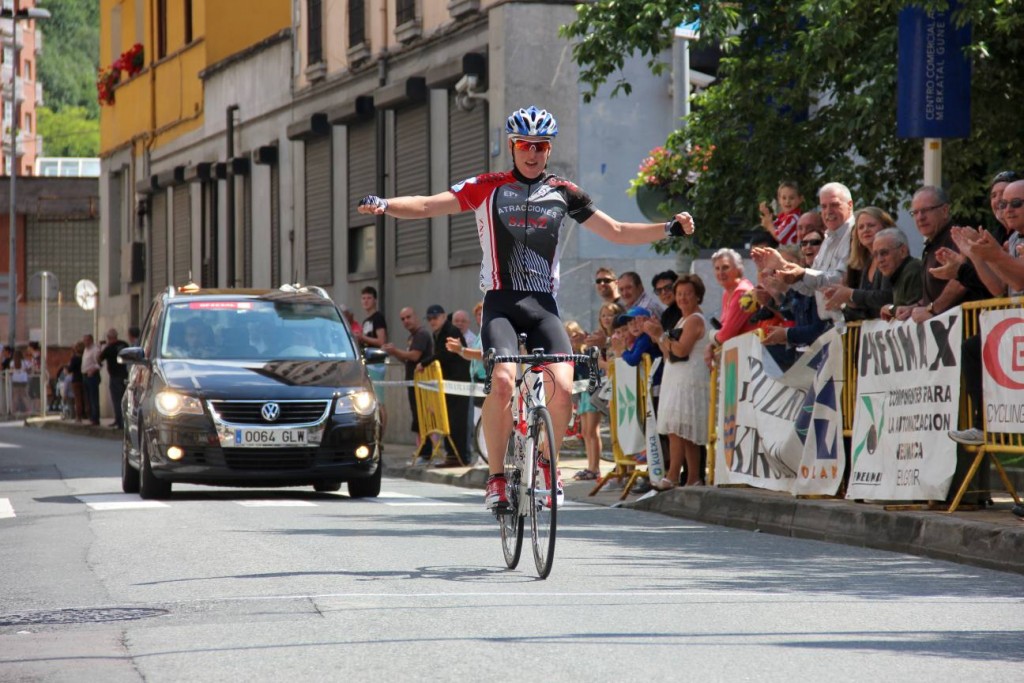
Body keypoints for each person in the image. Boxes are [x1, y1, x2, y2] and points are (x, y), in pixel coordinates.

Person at [357, 105, 695, 511]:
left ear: (548, 149)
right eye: (524, 146)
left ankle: (547, 466)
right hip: (501, 303)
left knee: (564, 386)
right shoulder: (488, 186)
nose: (532, 153)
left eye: (540, 146)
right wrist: (385, 205)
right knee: (501, 381)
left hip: (543, 306)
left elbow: (617, 231)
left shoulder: (564, 192)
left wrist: (669, 228)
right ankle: (497, 478)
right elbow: (430, 205)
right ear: (512, 146)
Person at [651, 275, 710, 488]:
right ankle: (694, 477)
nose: (683, 298)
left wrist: (661, 336)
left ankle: (673, 475)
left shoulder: (695, 319)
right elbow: (669, 353)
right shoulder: (682, 320)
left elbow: (681, 349)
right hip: (677, 376)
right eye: (679, 294)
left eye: (688, 294)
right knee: (685, 431)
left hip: (689, 378)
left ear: (698, 296)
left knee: (678, 429)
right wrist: (661, 338)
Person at [759, 229, 829, 370]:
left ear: (800, 262)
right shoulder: (797, 287)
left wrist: (786, 334)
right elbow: (794, 315)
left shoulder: (821, 280)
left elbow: (818, 329)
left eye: (814, 242)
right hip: (805, 359)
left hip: (822, 359)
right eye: (804, 243)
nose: (808, 246)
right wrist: (777, 295)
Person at [418, 304, 471, 467]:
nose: (432, 321)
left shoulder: (451, 331)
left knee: (457, 422)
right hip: (449, 382)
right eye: (429, 319)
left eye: (435, 318)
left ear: (442, 317)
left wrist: (425, 362)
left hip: (457, 382)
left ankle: (459, 457)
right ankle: (452, 456)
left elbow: (445, 354)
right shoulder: (440, 332)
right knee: (450, 420)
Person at [822, 206, 896, 321]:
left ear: (885, 228)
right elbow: (866, 310)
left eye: (871, 225)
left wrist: (851, 293)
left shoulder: (892, 258)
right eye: (861, 227)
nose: (865, 230)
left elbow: (887, 298)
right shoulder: (867, 264)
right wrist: (847, 300)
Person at [382, 307, 433, 461]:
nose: (406, 321)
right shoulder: (412, 337)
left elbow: (414, 356)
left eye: (408, 317)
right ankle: (422, 449)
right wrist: (396, 354)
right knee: (417, 417)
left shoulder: (421, 335)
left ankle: (426, 451)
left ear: (416, 317)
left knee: (422, 417)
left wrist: (394, 351)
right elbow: (407, 360)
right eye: (402, 319)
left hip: (422, 383)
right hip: (414, 382)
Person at [564, 321, 603, 482]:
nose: (572, 339)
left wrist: (582, 344)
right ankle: (590, 466)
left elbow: (587, 369)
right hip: (582, 394)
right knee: (586, 432)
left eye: (574, 334)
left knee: (593, 431)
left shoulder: (588, 350)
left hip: (592, 392)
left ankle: (595, 468)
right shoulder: (573, 352)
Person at [703, 248, 756, 367]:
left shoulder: (743, 292)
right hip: (737, 356)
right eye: (717, 268)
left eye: (725, 267)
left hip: (749, 358)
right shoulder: (727, 293)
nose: (720, 272)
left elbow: (726, 334)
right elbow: (724, 328)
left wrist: (711, 337)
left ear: (738, 269)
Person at [99, 328, 129, 429]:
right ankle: (124, 421)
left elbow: (99, 358)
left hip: (115, 376)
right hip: (125, 375)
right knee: (125, 400)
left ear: (109, 338)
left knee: (117, 400)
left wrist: (102, 347)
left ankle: (119, 421)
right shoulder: (124, 344)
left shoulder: (109, 348)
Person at [758, 180, 804, 245]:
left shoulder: (793, 218)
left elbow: (779, 236)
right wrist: (766, 215)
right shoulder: (783, 216)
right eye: (784, 198)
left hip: (793, 251)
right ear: (779, 200)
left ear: (800, 199)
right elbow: (773, 228)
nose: (787, 201)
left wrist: (769, 225)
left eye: (791, 198)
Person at [81, 333, 102, 426]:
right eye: (84, 340)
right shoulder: (86, 349)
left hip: (92, 376)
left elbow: (99, 363)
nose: (84, 342)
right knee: (88, 398)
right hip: (85, 375)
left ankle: (95, 418)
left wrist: (93, 370)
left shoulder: (95, 349)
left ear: (90, 340)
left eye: (86, 340)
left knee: (93, 398)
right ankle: (90, 416)